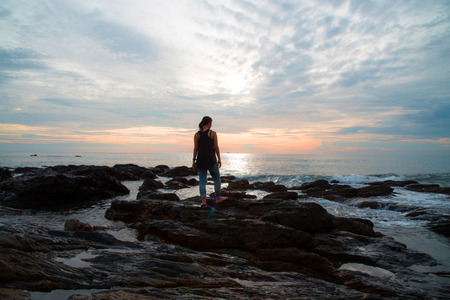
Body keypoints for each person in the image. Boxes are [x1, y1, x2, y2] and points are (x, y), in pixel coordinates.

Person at [192, 116, 227, 207]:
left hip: (200, 160)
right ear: (209, 123)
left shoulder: (197, 135)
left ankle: (203, 201)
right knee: (216, 179)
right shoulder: (213, 133)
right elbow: (216, 147)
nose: (211, 125)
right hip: (211, 159)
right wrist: (219, 159)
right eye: (211, 123)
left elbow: (196, 149)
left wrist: (193, 161)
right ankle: (217, 198)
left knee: (202, 180)